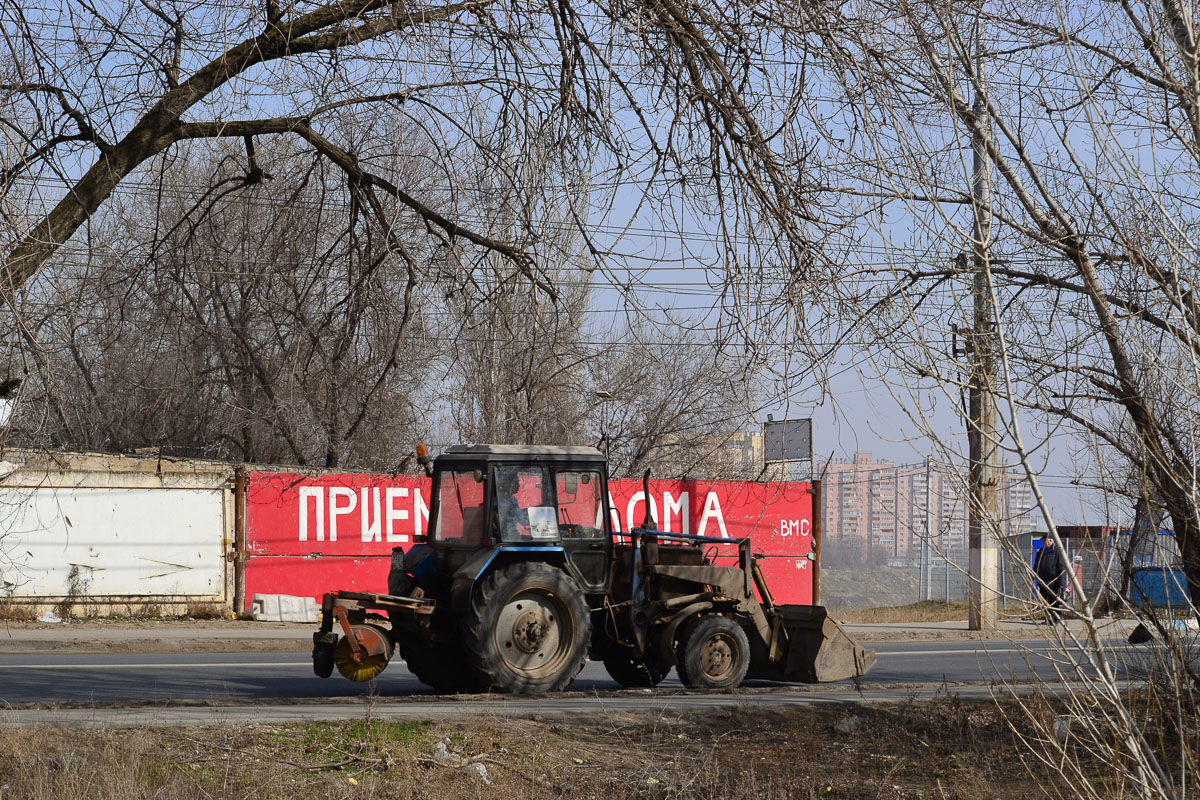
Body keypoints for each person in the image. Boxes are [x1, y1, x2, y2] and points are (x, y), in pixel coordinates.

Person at [1034, 538, 1068, 623]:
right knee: (1044, 601)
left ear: (1052, 541)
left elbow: (1061, 568)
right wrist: (1034, 575)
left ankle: (1056, 618)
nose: (1047, 542)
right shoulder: (1040, 553)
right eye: (1045, 541)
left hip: (1053, 582)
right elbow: (1036, 566)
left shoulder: (1056, 552)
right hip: (1042, 581)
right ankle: (1048, 618)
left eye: (1049, 540)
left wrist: (1062, 584)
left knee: (1053, 601)